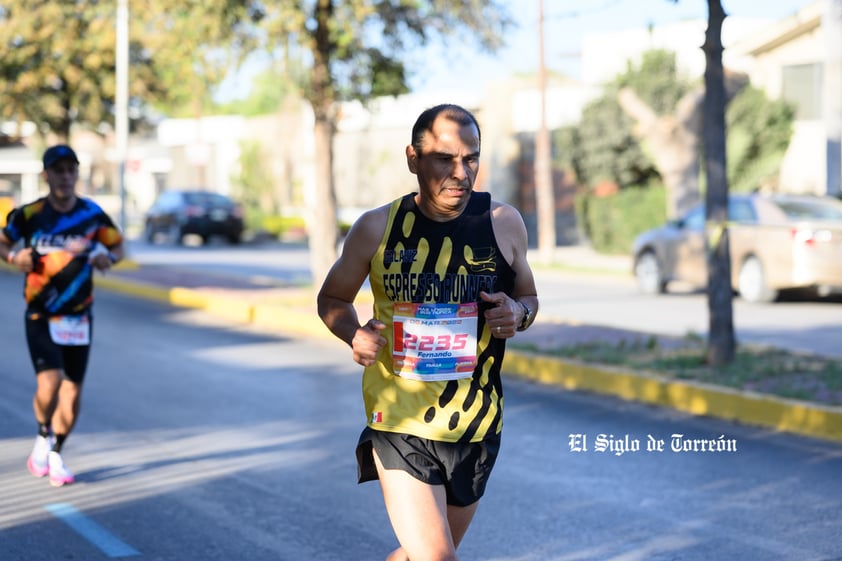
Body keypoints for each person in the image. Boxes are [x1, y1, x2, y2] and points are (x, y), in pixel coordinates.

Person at [317, 104, 539, 561]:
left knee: (423, 555)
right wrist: (354, 334)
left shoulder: (502, 223)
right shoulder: (377, 228)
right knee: (438, 557)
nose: (461, 172)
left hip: (476, 422)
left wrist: (516, 313)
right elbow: (332, 300)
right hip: (399, 421)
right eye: (444, 158)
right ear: (413, 158)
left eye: (471, 158)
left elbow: (529, 298)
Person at [0, 144, 125, 487]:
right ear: (47, 175)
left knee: (71, 395)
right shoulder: (29, 215)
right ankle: (43, 434)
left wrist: (108, 260)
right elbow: (2, 242)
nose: (66, 177)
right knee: (50, 381)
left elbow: (117, 245)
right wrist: (13, 258)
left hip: (79, 316)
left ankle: (55, 450)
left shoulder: (93, 214)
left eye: (71, 170)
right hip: (41, 312)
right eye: (59, 170)